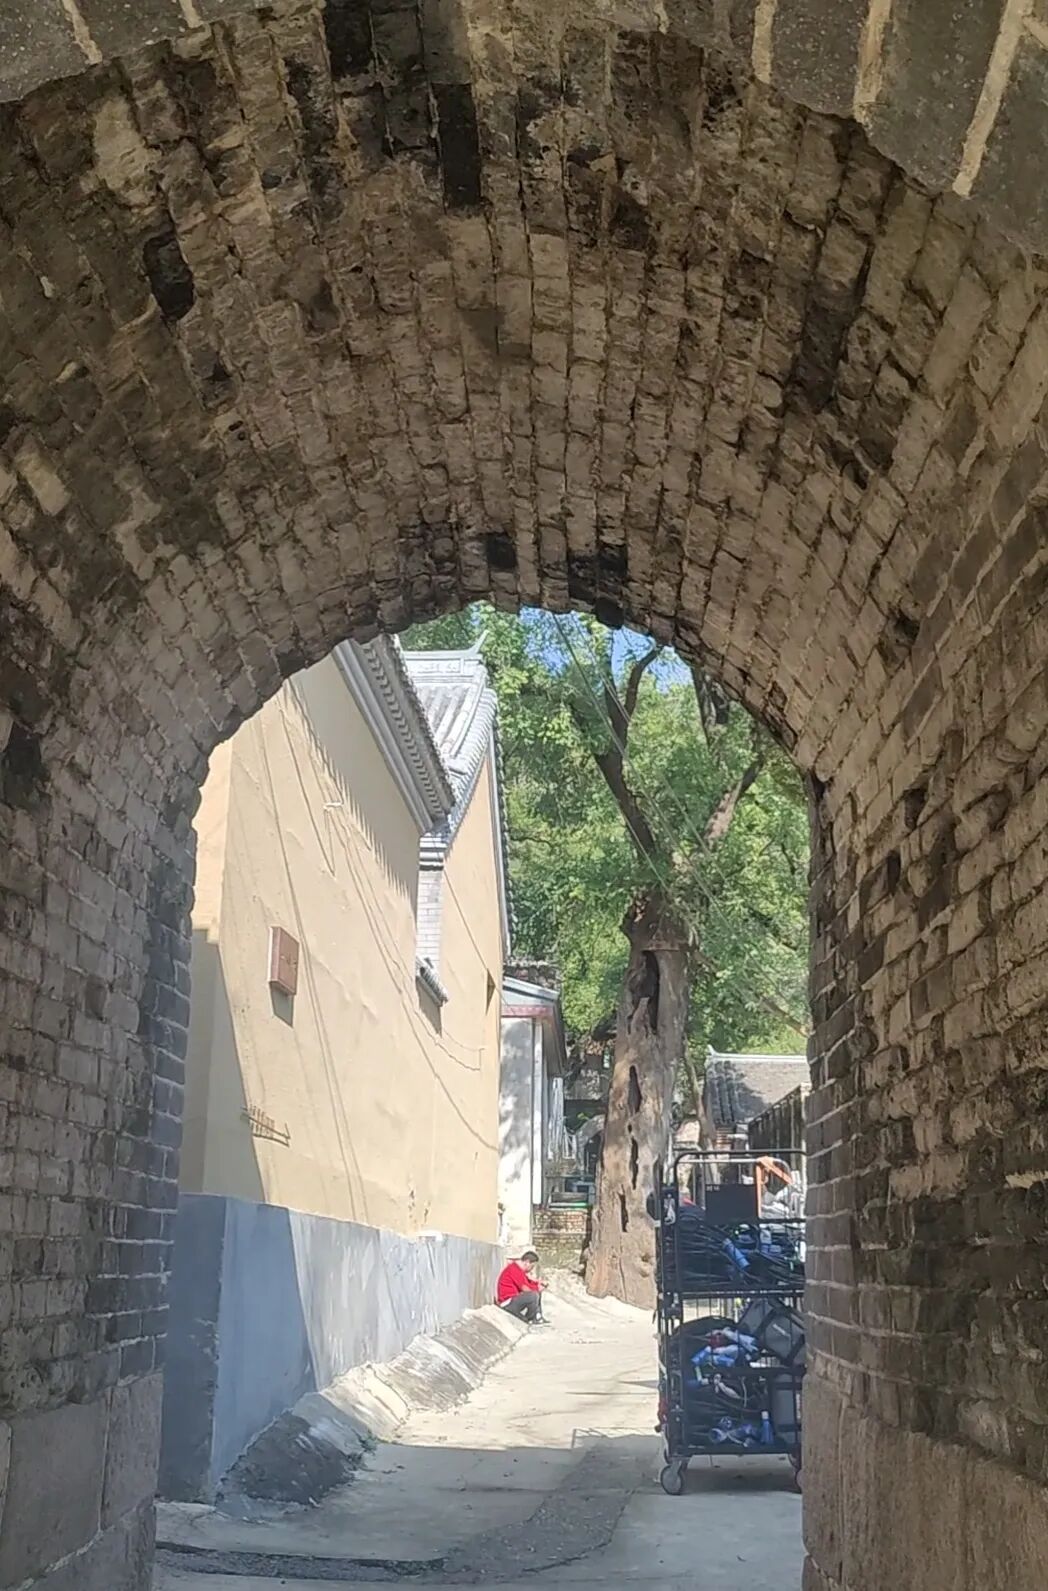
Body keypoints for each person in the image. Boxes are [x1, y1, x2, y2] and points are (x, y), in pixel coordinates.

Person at [496, 1249, 547, 1324]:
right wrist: (538, 1288)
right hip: (507, 1303)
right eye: (532, 1266)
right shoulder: (514, 1269)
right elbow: (525, 1289)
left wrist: (539, 1284)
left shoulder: (519, 1271)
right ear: (527, 1262)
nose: (531, 1269)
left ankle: (537, 1316)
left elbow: (529, 1284)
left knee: (536, 1293)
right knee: (533, 1295)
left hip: (513, 1300)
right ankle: (531, 1318)